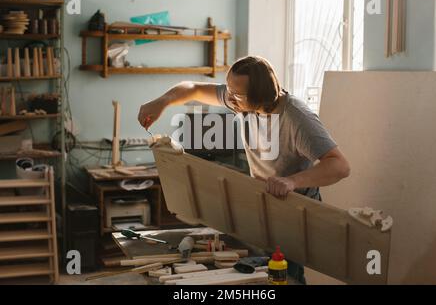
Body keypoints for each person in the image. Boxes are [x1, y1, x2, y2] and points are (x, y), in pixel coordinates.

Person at [138, 56, 350, 283]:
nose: (229, 99)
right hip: (263, 200)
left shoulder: (297, 118)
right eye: (228, 89)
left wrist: (292, 182)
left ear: (260, 95)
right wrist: (162, 101)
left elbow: (339, 165)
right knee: (257, 271)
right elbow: (192, 89)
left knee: (286, 276)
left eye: (236, 95)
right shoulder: (241, 99)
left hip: (295, 209)